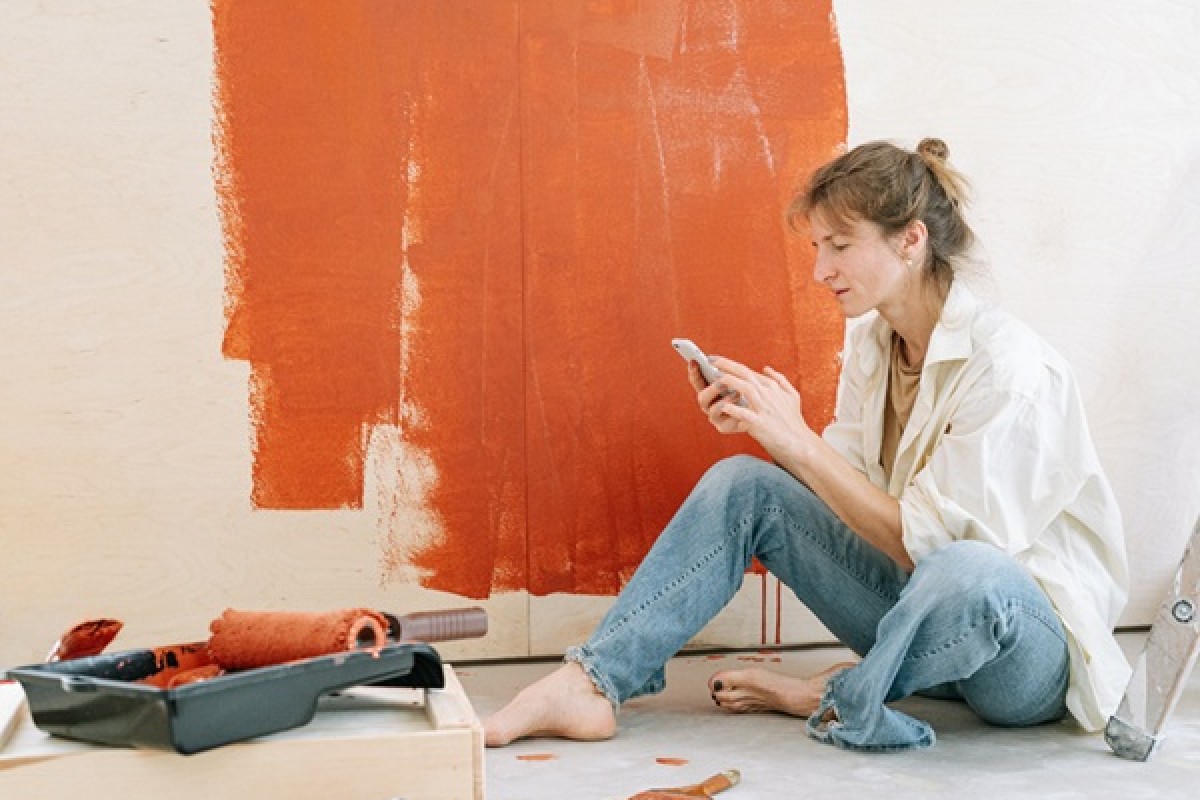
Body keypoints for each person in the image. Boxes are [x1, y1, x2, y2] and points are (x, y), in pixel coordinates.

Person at [483, 138, 1130, 752]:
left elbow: (931, 550)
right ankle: (591, 683)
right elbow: (843, 502)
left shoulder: (1011, 369)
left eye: (840, 246)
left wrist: (797, 439)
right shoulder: (876, 344)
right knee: (744, 485)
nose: (821, 270)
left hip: (1018, 658)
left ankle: (839, 695)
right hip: (913, 623)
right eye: (819, 247)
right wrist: (766, 429)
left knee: (967, 570)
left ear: (911, 241)